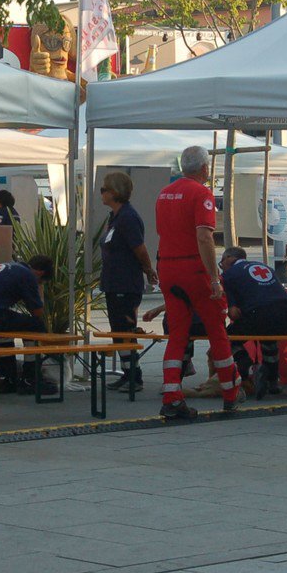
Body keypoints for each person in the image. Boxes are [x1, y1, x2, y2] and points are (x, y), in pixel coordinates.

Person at [155, 145, 240, 421]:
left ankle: (172, 395)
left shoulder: (164, 193)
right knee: (217, 330)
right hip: (193, 268)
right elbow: (204, 237)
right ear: (205, 168)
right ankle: (230, 393)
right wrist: (214, 279)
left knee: (177, 334)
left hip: (167, 266)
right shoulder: (201, 193)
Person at [98, 171, 156, 392]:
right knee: (118, 330)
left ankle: (135, 376)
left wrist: (148, 270)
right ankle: (127, 372)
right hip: (114, 282)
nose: (101, 194)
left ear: (114, 193)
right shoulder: (115, 217)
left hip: (125, 283)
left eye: (104, 190)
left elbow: (139, 248)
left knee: (125, 328)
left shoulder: (128, 217)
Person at [0, 234, 54, 395]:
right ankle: (30, 377)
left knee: (7, 331)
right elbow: (37, 311)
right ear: (40, 273)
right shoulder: (28, 276)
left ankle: (7, 377)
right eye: (42, 281)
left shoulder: (12, 266)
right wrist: (39, 290)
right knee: (36, 325)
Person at [219, 247, 287, 398]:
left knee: (226, 340)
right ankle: (272, 381)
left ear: (229, 258)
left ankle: (250, 369)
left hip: (261, 315)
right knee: (268, 337)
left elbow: (234, 313)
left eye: (222, 261)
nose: (222, 266)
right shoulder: (264, 267)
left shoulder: (229, 275)